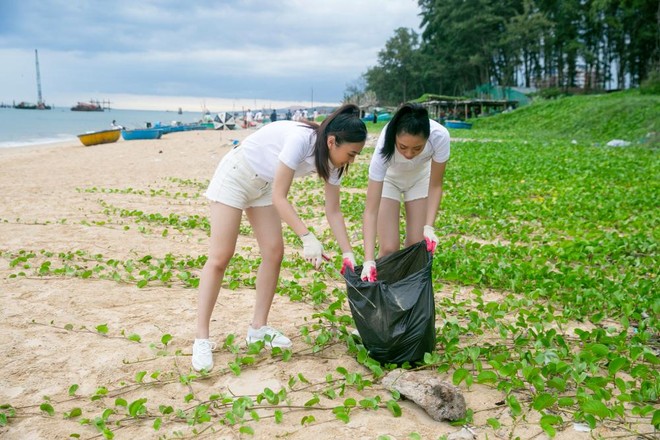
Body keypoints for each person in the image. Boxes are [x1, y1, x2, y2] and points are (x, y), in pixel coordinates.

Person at [192, 104, 368, 371]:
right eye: (351, 153)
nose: (352, 160)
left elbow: (333, 210)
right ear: (332, 141)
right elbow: (280, 197)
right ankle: (201, 338)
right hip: (236, 177)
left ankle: (258, 328)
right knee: (221, 256)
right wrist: (307, 237)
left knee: (274, 252)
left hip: (264, 185)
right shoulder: (301, 140)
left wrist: (348, 254)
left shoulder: (334, 162)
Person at [361, 103, 450, 281]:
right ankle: (382, 293)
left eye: (417, 148)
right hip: (389, 180)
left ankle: (406, 295)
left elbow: (436, 185)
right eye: (402, 147)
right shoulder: (383, 147)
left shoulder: (439, 137)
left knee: (416, 246)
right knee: (389, 248)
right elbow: (370, 210)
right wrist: (368, 260)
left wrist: (429, 227)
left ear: (427, 138)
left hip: (420, 179)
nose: (409, 154)